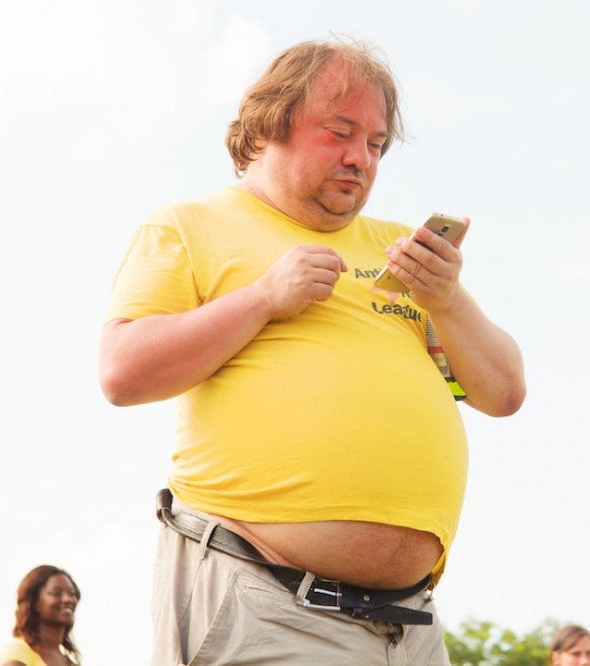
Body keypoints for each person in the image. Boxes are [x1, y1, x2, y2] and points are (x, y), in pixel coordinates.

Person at [99, 37, 525, 665]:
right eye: (340, 132)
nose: (362, 158)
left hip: (408, 628)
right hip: (266, 601)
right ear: (271, 122)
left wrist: (449, 299)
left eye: (376, 144)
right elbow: (122, 372)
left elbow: (504, 393)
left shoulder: (402, 253)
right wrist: (263, 298)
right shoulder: (189, 226)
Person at [0, 565, 81, 666]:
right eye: (57, 593)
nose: (68, 599)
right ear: (35, 603)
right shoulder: (19, 651)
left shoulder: (71, 663)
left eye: (72, 594)